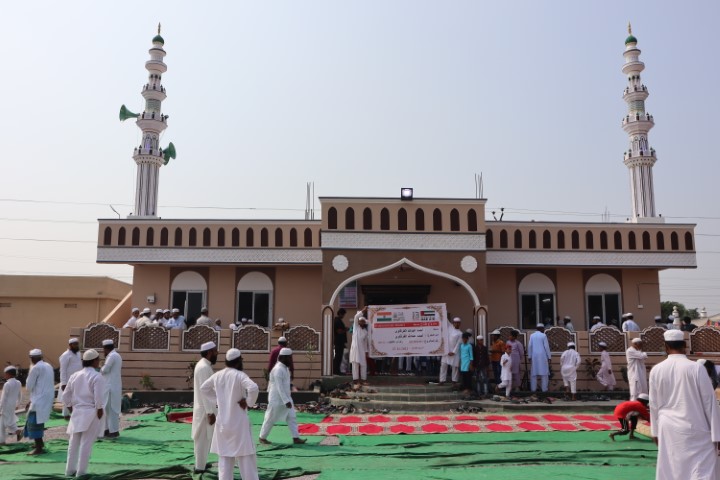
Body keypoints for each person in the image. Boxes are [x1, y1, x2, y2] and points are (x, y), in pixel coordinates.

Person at [650, 329, 720, 480]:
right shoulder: (696, 368)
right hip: (695, 425)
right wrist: (717, 434)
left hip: (667, 427)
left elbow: (654, 405)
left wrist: (655, 432)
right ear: (685, 346)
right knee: (702, 467)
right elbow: (709, 402)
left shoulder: (656, 370)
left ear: (666, 347)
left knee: (672, 468)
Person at [200, 348, 259, 480]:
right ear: (238, 362)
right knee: (246, 459)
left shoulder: (218, 375)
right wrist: (249, 402)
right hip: (239, 425)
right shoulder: (239, 375)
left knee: (225, 459)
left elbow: (203, 388)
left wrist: (218, 400)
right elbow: (253, 388)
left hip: (223, 425)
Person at [63, 349, 106, 477]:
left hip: (77, 412)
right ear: (94, 361)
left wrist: (71, 408)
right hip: (91, 411)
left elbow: (65, 396)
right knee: (86, 443)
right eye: (98, 360)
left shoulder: (74, 375)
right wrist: (99, 411)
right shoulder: (97, 376)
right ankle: (81, 472)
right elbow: (99, 398)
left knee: (73, 443)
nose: (98, 362)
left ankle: (69, 470)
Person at [259, 348, 306, 445]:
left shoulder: (285, 368)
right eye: (289, 358)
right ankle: (262, 437)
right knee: (270, 418)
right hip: (276, 399)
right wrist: (286, 401)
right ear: (284, 357)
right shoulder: (278, 369)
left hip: (286, 398)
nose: (291, 360)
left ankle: (296, 438)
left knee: (292, 417)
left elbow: (285, 384)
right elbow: (279, 387)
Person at [193, 342, 218, 474]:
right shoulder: (203, 367)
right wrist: (209, 412)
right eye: (215, 351)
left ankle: (201, 464)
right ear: (209, 352)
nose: (217, 354)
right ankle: (199, 467)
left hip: (205, 409)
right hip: (204, 410)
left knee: (205, 439)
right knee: (202, 439)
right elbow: (205, 391)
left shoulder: (205, 366)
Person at [24, 348, 55, 455]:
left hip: (39, 399)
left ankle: (38, 448)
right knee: (39, 421)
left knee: (33, 422)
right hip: (46, 397)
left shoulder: (36, 368)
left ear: (31, 358)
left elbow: (28, 386)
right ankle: (40, 443)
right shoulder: (48, 365)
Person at [101, 339, 122, 438]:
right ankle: (107, 429)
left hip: (110, 387)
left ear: (106, 348)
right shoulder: (116, 355)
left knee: (111, 410)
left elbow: (105, 369)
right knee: (108, 409)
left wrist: (100, 368)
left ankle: (113, 431)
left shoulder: (112, 356)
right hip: (112, 386)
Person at [59, 338, 83, 419]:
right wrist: (63, 382)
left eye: (77, 344)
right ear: (70, 345)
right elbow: (63, 370)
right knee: (67, 396)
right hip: (69, 379)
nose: (76, 345)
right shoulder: (65, 355)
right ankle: (66, 414)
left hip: (78, 378)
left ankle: (75, 412)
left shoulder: (79, 353)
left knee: (76, 396)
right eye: (75, 344)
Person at [0, 366, 22, 444]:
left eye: (5, 374)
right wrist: (18, 404)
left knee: (6, 423)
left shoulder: (7, 384)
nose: (4, 376)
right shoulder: (18, 382)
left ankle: (17, 431)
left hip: (6, 406)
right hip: (12, 405)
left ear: (9, 374)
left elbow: (3, 398)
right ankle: (2, 440)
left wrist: (0, 408)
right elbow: (20, 395)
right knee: (4, 423)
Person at [527, 324, 551, 393]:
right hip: (543, 356)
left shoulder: (532, 335)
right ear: (542, 328)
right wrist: (549, 357)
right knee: (544, 374)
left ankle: (533, 390)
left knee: (534, 374)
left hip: (534, 356)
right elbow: (546, 347)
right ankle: (544, 390)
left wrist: (529, 356)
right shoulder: (543, 335)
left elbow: (530, 346)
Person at [350, 308, 370, 386]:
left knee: (363, 364)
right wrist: (363, 310)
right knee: (355, 365)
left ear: (364, 323)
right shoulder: (355, 328)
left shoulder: (365, 332)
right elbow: (356, 317)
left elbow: (365, 343)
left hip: (362, 350)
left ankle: (363, 379)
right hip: (355, 350)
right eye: (360, 321)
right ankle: (355, 380)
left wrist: (366, 352)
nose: (361, 322)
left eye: (362, 321)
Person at [440, 318, 463, 385]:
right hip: (446, 352)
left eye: (458, 322)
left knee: (455, 367)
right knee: (443, 365)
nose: (456, 324)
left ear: (460, 324)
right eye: (455, 322)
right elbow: (445, 319)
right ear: (453, 323)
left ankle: (454, 381)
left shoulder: (460, 333)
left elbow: (458, 343)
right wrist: (443, 308)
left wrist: (453, 352)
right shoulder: (450, 328)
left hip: (454, 353)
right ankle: (442, 380)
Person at [333, 308, 348, 375]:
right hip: (339, 342)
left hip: (339, 342)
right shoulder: (337, 321)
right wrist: (345, 330)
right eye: (343, 314)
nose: (344, 316)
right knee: (338, 357)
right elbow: (339, 331)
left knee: (339, 356)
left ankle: (336, 370)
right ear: (341, 314)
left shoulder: (338, 320)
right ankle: (336, 371)